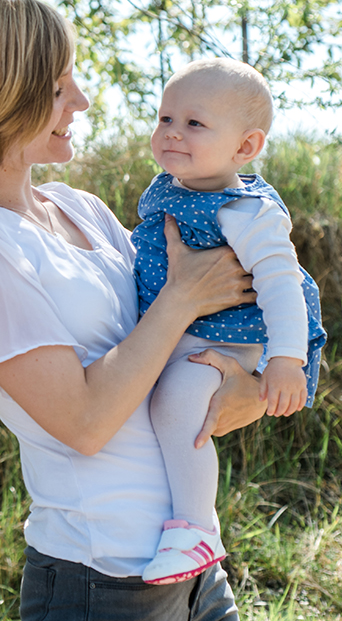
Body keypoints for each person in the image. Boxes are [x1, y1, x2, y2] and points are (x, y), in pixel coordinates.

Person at [0, 0, 267, 620]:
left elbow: (194, 328)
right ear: (3, 90)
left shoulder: (82, 209)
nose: (82, 99)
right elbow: (85, 422)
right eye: (60, 83)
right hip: (104, 581)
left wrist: (251, 386)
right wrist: (179, 300)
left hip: (195, 565)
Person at [131, 58, 326, 585]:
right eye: (165, 118)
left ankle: (197, 529)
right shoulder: (170, 188)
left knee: (176, 405)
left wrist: (285, 361)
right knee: (149, 401)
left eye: (194, 123)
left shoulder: (246, 209)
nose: (171, 132)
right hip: (178, 329)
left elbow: (283, 284)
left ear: (245, 147)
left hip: (224, 342)